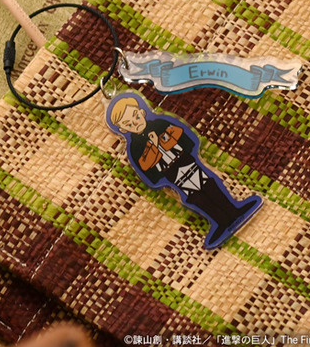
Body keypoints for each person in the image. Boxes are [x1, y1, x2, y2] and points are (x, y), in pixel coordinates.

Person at [106, 93, 262, 249]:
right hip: (172, 175)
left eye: (136, 116)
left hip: (186, 161)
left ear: (142, 111)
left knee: (209, 184)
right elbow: (145, 168)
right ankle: (219, 221)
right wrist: (155, 156)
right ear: (122, 129)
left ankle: (233, 210)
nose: (135, 123)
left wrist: (175, 145)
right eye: (128, 124)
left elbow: (182, 134)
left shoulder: (160, 122)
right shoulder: (134, 148)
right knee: (194, 196)